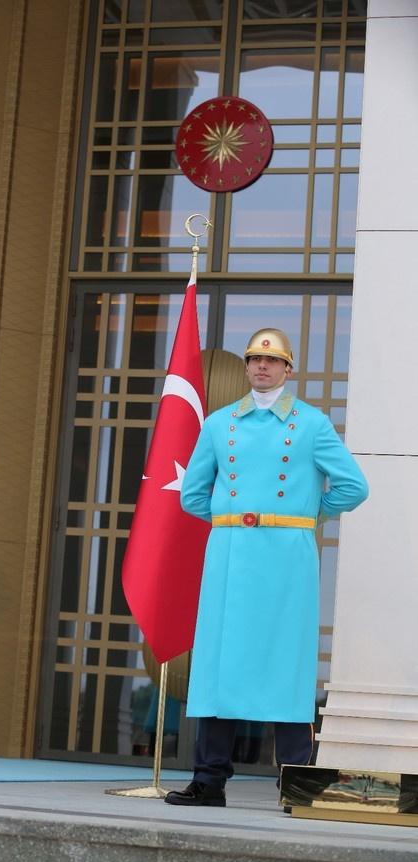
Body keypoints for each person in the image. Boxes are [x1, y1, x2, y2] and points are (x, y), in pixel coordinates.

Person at [165, 328, 368, 808]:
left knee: (286, 664)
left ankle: (295, 784)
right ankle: (209, 780)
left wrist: (302, 516)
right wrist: (235, 521)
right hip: (230, 555)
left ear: (287, 369)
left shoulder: (312, 424)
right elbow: (194, 494)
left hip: (285, 557)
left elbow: (353, 487)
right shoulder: (218, 424)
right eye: (255, 359)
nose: (262, 367)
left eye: (272, 361)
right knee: (219, 665)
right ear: (247, 366)